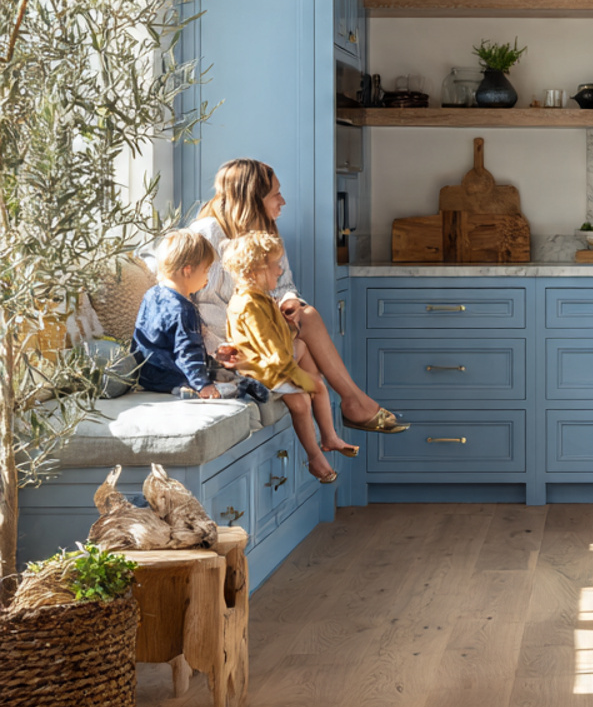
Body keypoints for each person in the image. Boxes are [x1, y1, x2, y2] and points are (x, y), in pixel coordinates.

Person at [189, 158, 407, 434]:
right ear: (252, 199)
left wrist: (290, 301)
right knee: (306, 344)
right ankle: (351, 409)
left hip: (262, 328)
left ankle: (345, 415)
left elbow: (284, 285)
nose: (283, 201)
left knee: (305, 314)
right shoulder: (207, 234)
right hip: (230, 347)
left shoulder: (265, 232)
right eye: (275, 194)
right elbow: (204, 309)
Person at [223, 231, 355, 484]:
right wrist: (296, 377)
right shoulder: (249, 305)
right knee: (309, 393)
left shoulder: (259, 298)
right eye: (274, 266)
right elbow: (270, 351)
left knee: (304, 352)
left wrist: (289, 327)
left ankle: (328, 438)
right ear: (254, 271)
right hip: (260, 370)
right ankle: (317, 454)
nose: (280, 271)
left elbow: (275, 338)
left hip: (270, 362)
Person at [131, 229, 266, 401]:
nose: (207, 278)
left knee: (212, 364)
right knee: (218, 385)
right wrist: (203, 384)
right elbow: (187, 351)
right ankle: (238, 387)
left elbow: (140, 336)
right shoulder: (183, 309)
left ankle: (197, 384)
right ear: (188, 270)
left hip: (147, 375)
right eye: (206, 270)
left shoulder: (151, 294)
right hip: (174, 375)